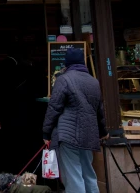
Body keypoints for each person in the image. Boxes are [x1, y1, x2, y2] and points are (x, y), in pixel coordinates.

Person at [42, 47, 108, 193]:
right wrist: (103, 131)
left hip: (68, 135)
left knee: (73, 177)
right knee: (88, 174)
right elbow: (99, 111)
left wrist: (46, 133)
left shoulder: (63, 79)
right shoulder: (94, 82)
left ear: (67, 63)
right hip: (88, 135)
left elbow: (54, 108)